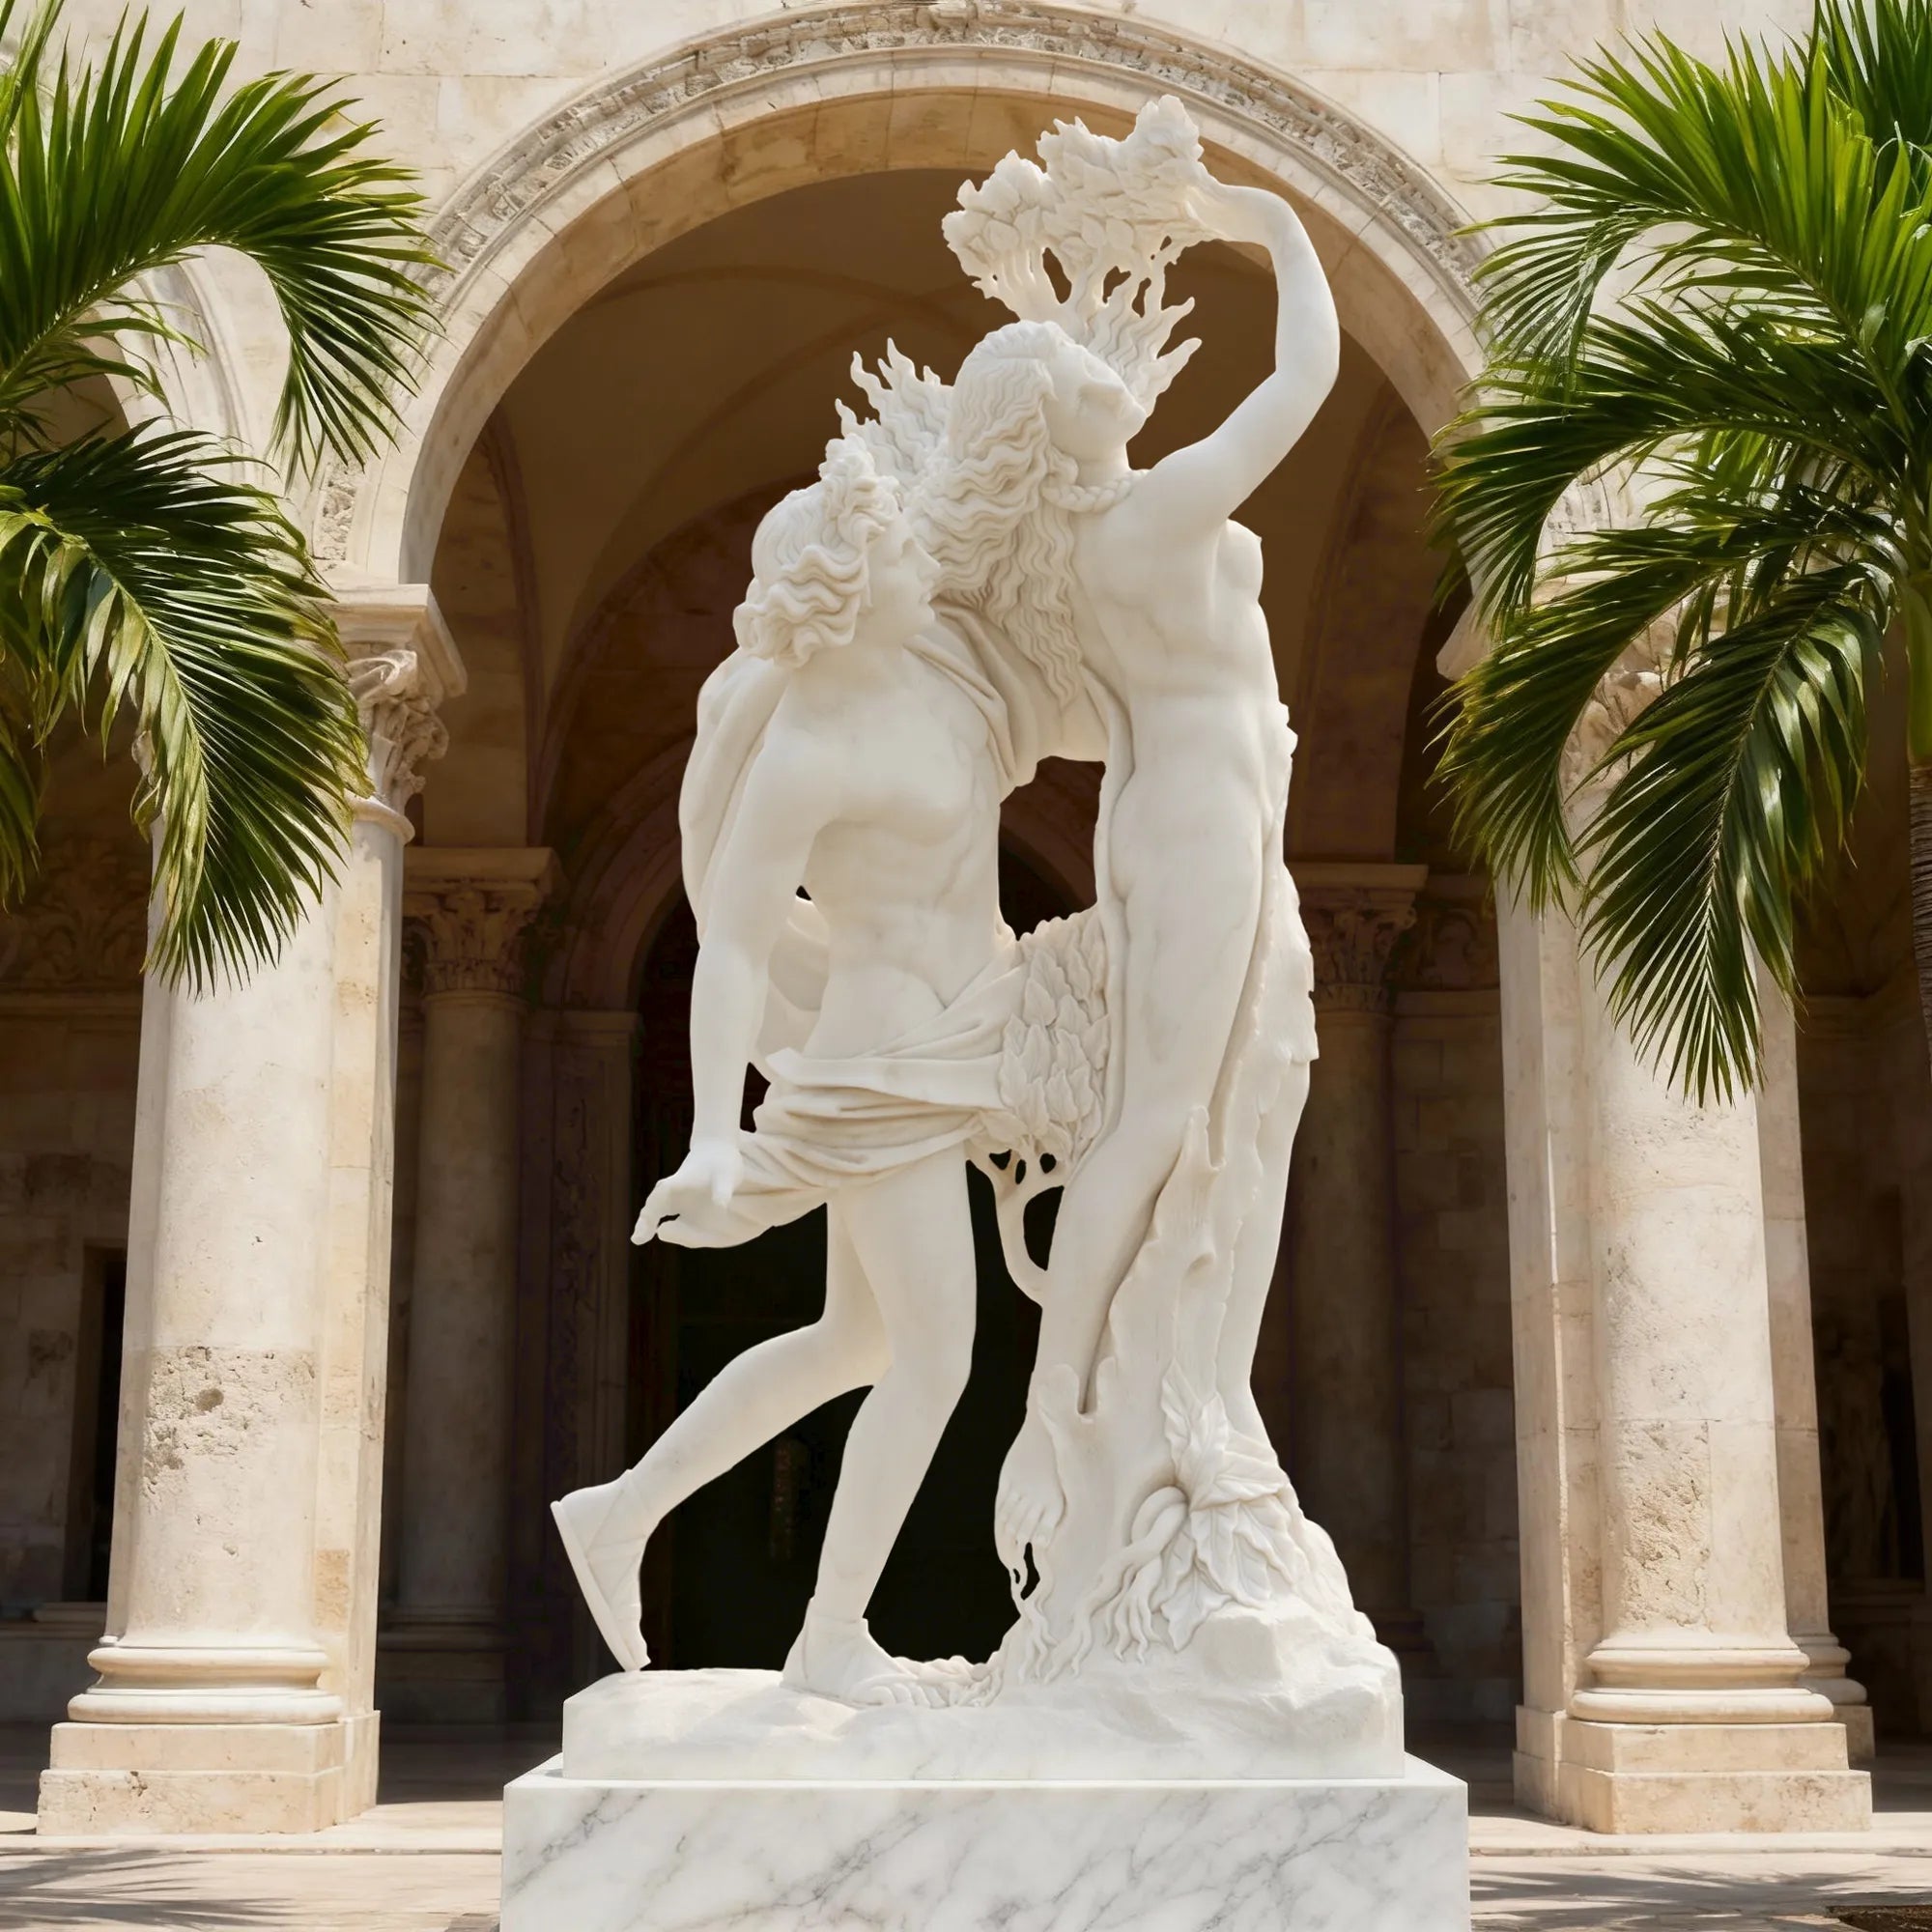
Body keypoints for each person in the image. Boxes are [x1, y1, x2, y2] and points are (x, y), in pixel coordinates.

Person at [551, 439, 1035, 1706]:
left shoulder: (947, 670)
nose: (921, 550)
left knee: (855, 1336)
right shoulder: (808, 746)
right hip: (881, 1058)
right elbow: (735, 944)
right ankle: (829, 1637)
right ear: (852, 576)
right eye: (895, 541)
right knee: (934, 1355)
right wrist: (716, 1132)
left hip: (969, 1023)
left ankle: (621, 1508)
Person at [917, 175, 1340, 1571]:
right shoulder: (1155, 518)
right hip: (1204, 820)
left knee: (1220, 1108)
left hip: (1171, 817)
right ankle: (1064, 1410)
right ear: (1063, 424)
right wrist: (1272, 224)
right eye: (1078, 377)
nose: (1109, 375)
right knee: (1166, 1121)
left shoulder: (1080, 555)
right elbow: (1304, 375)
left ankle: (1172, 1390)